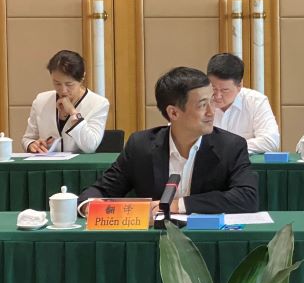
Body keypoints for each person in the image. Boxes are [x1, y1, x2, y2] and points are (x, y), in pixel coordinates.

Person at [78, 67, 257, 216]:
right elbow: (101, 190)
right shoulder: (140, 146)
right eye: (203, 105)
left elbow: (247, 197)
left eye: (212, 101)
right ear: (173, 112)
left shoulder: (231, 146)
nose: (212, 111)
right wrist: (88, 206)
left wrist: (177, 205)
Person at [22, 50, 109, 153]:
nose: (63, 90)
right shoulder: (41, 100)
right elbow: (28, 138)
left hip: (80, 163)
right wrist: (32, 144)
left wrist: (73, 113)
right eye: (57, 83)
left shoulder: (98, 103)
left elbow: (90, 146)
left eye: (69, 84)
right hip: (47, 161)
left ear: (82, 78)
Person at [207, 53, 280, 153]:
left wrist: (230, 147)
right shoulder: (199, 102)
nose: (218, 96)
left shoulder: (255, 101)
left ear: (239, 85)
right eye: (214, 88)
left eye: (225, 90)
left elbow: (271, 142)